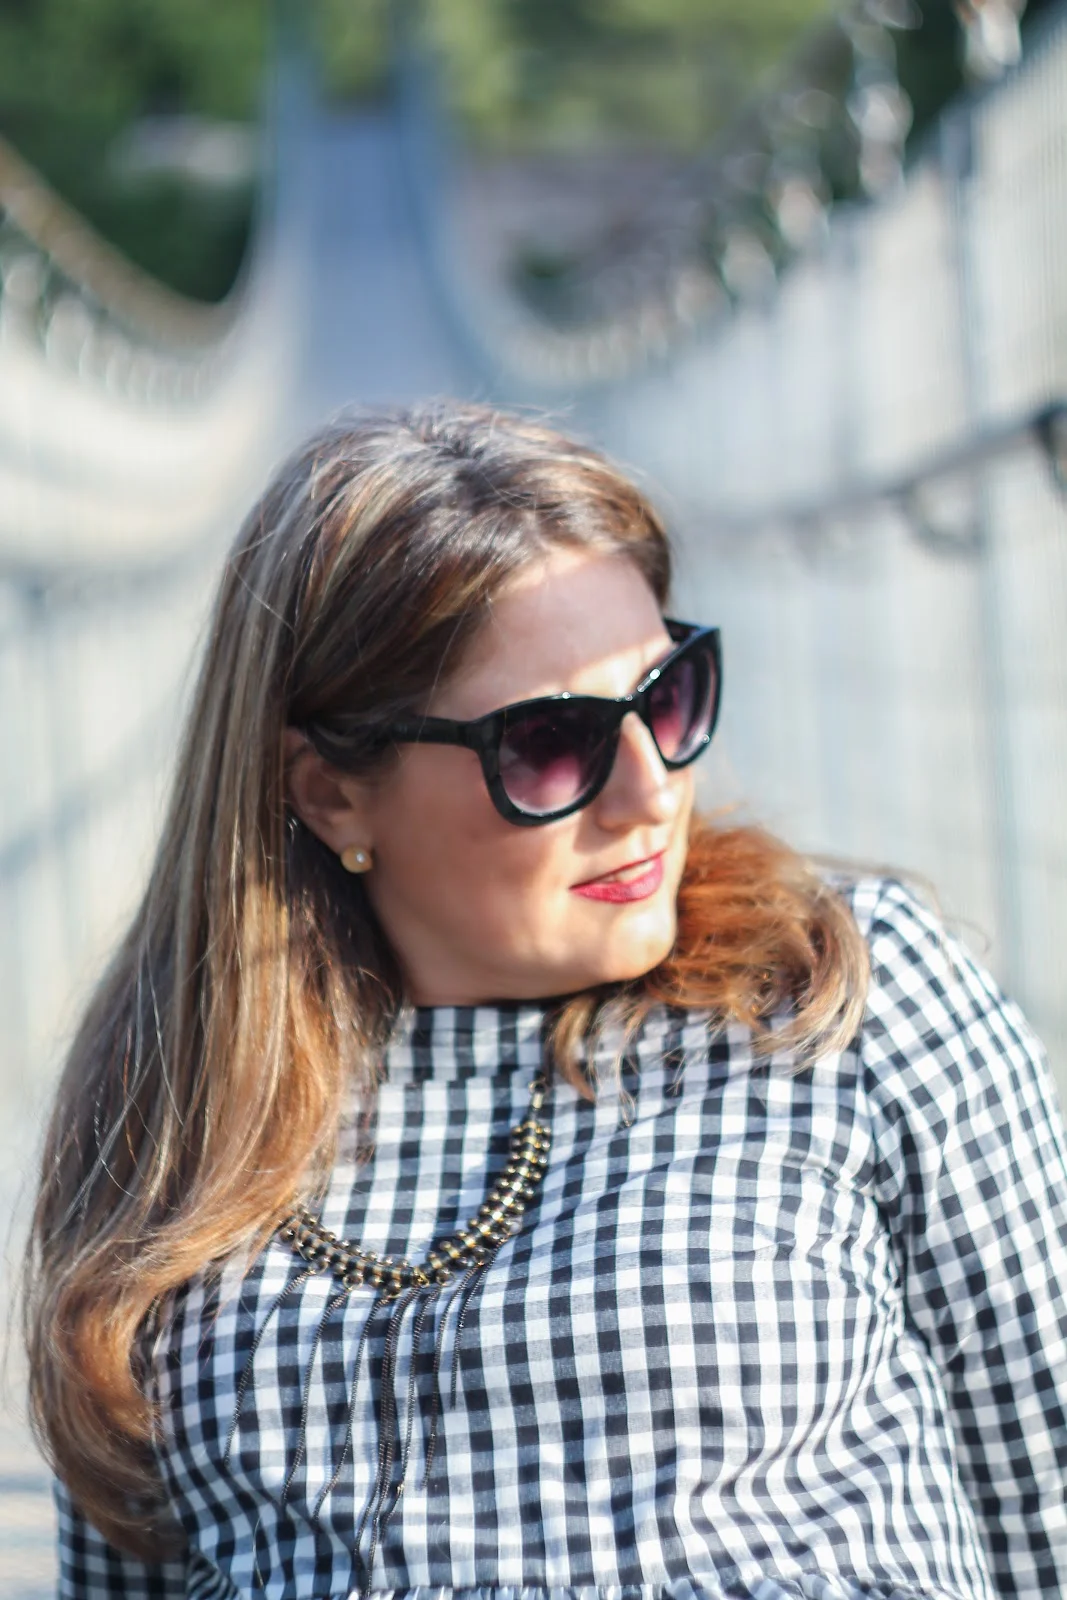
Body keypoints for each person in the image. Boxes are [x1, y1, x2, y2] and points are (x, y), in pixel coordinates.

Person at [24, 402, 1067, 1600]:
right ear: (329, 793)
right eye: (551, 744)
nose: (650, 792)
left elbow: (1045, 1486)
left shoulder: (832, 992)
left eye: (667, 696)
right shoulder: (170, 1121)